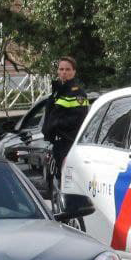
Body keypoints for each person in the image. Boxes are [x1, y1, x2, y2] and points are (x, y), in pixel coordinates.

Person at [40, 56, 89, 184]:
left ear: (74, 72)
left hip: (69, 144)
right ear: (57, 71)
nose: (64, 72)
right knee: (57, 182)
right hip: (56, 144)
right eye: (61, 69)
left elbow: (79, 119)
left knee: (67, 183)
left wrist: (55, 125)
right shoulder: (57, 92)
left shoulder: (78, 93)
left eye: (67, 69)